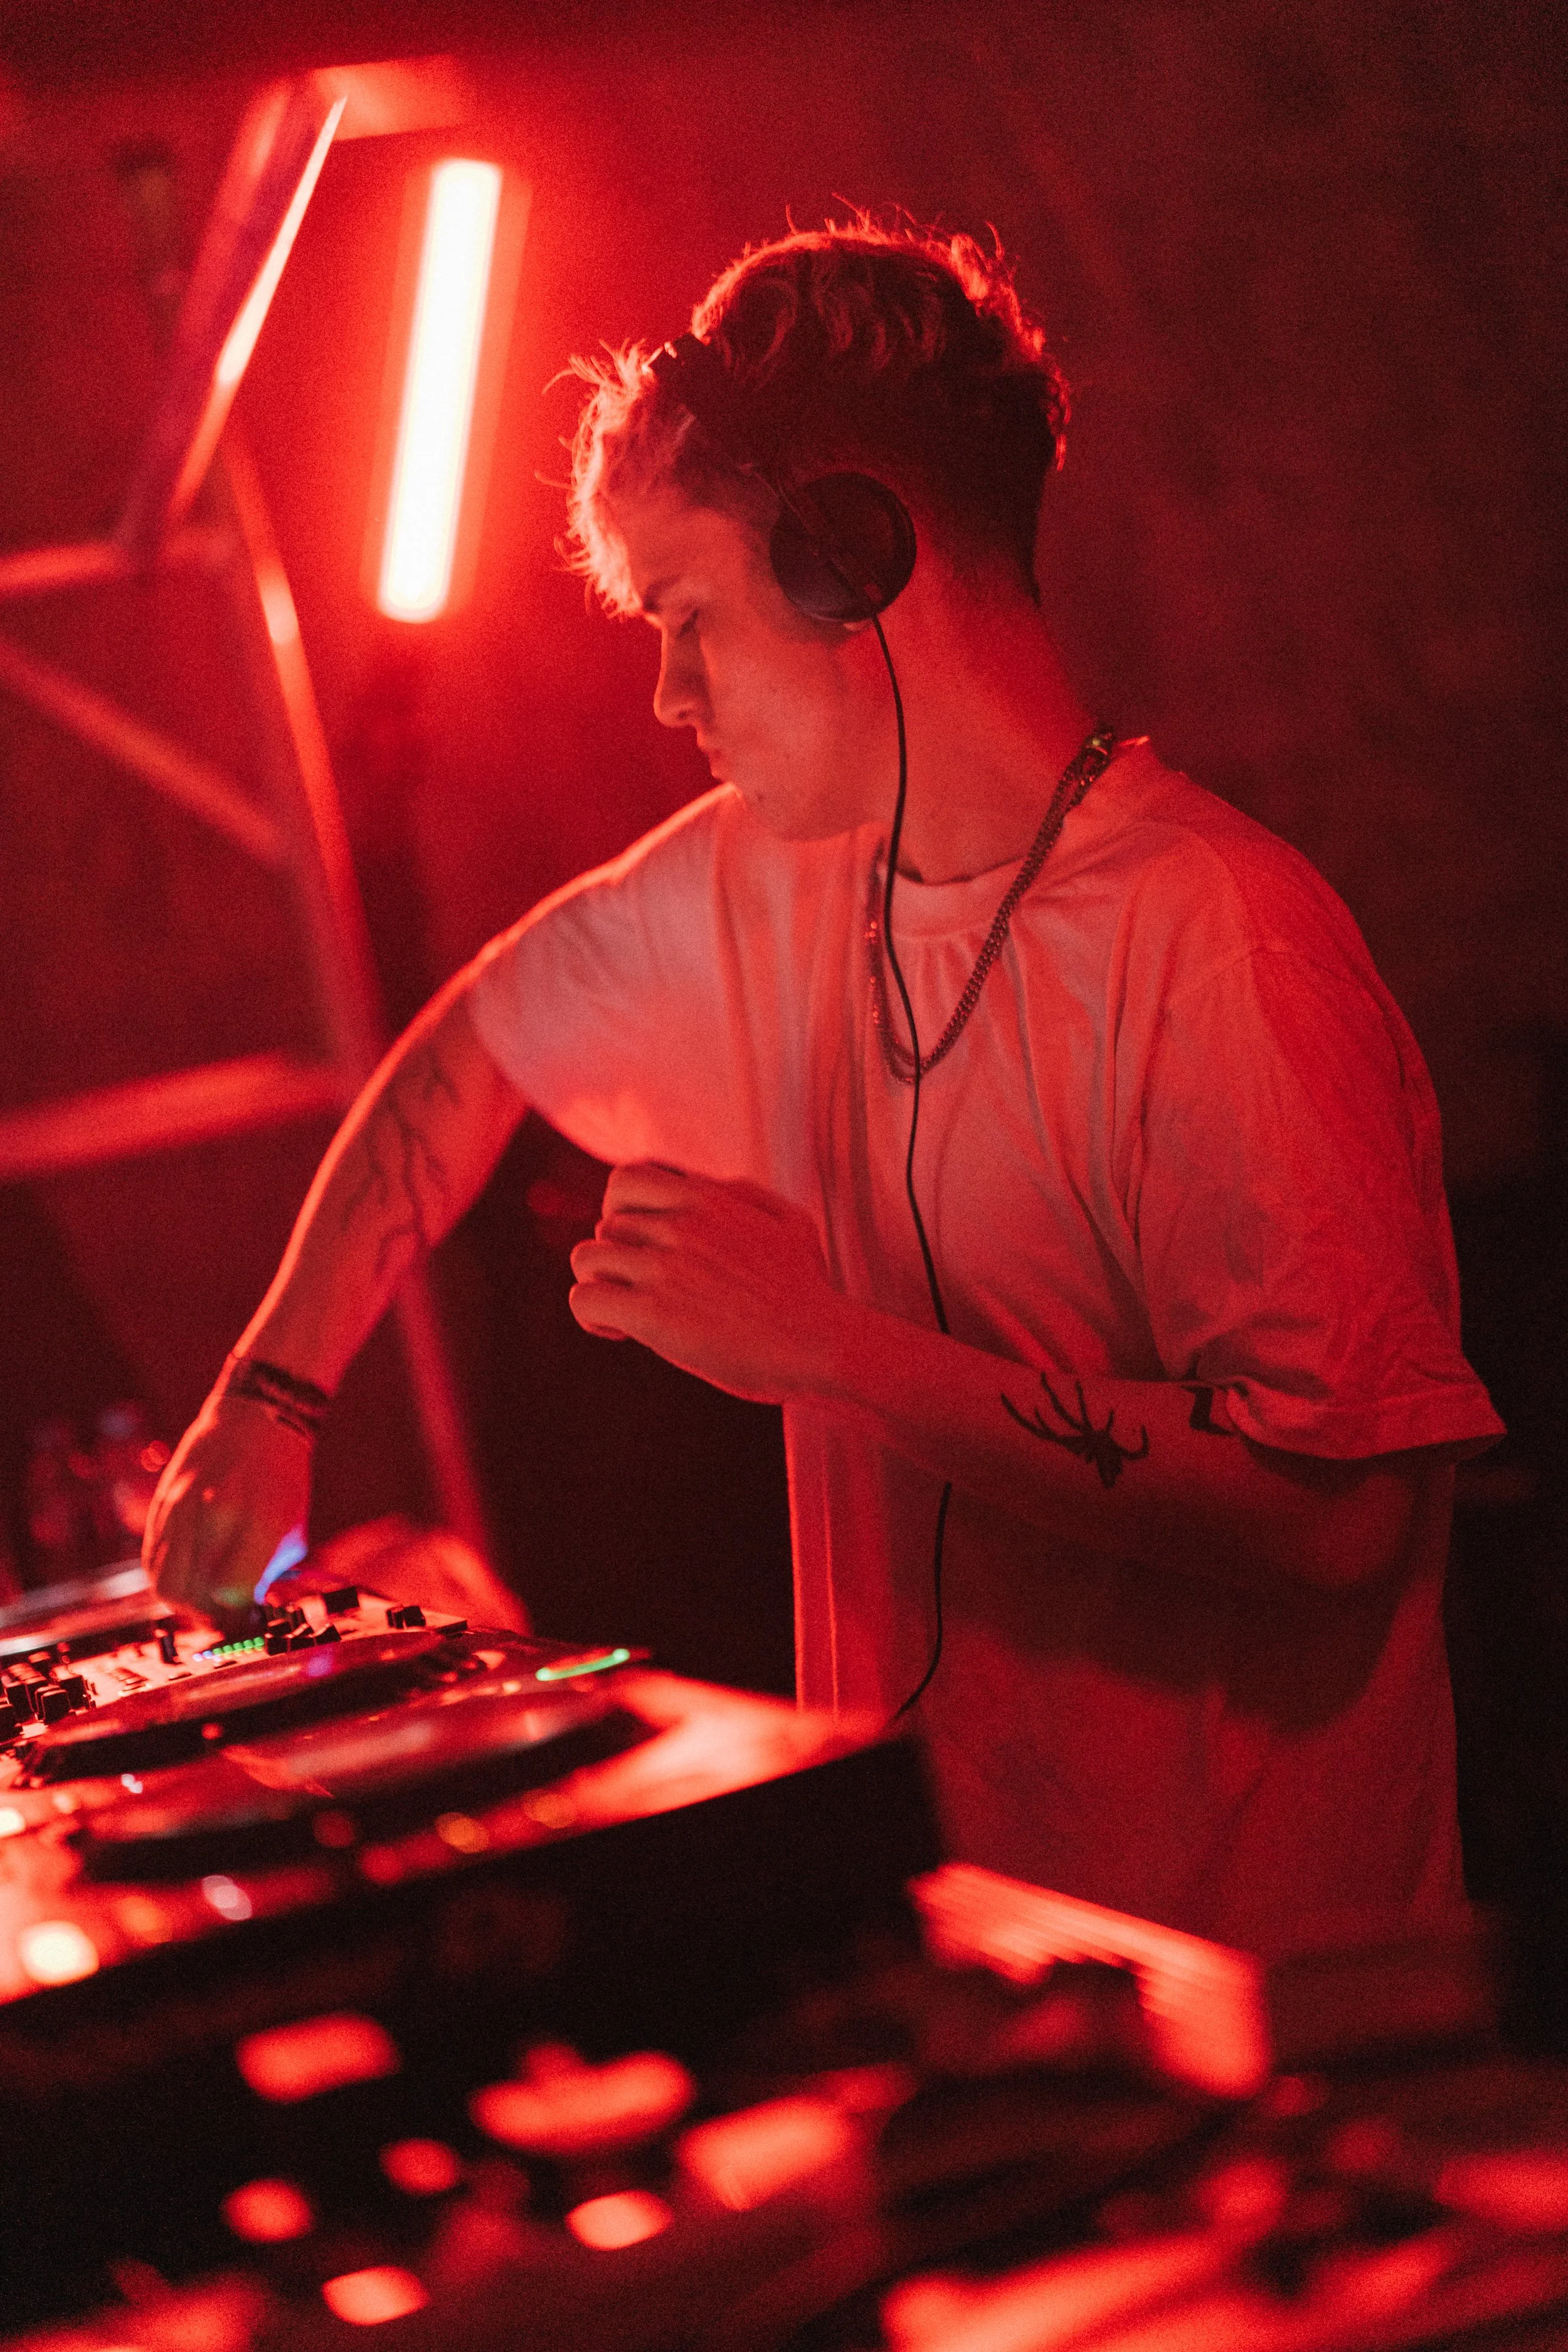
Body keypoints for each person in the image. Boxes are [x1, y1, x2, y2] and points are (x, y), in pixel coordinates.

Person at [146, 220, 1502, 1958]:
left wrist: (826, 1348)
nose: (667, 692)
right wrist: (271, 1396)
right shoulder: (766, 882)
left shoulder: (1220, 941)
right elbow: (469, 1050)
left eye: (688, 616)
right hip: (958, 1957)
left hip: (1256, 2007)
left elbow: (1330, 1523)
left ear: (855, 559)